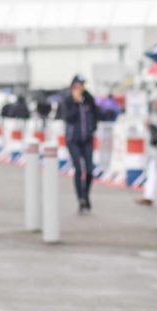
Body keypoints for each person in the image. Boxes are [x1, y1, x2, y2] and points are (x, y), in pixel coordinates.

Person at [61, 75, 98, 214]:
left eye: (82, 85)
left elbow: (95, 115)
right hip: (73, 140)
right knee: (78, 168)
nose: (80, 88)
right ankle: (80, 199)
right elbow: (67, 117)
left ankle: (85, 194)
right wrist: (76, 103)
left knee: (89, 170)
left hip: (87, 139)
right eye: (78, 85)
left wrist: (92, 128)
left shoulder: (88, 99)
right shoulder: (68, 100)